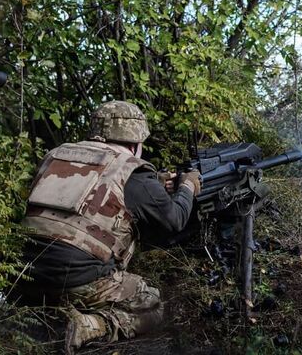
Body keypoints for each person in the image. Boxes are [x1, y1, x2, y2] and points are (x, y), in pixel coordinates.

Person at [16, 100, 201, 354]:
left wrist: (155, 182)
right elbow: (174, 221)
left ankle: (40, 307)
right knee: (153, 304)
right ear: (135, 143)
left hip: (22, 272)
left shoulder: (57, 154)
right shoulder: (132, 170)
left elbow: (93, 187)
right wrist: (188, 186)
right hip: (76, 279)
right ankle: (90, 325)